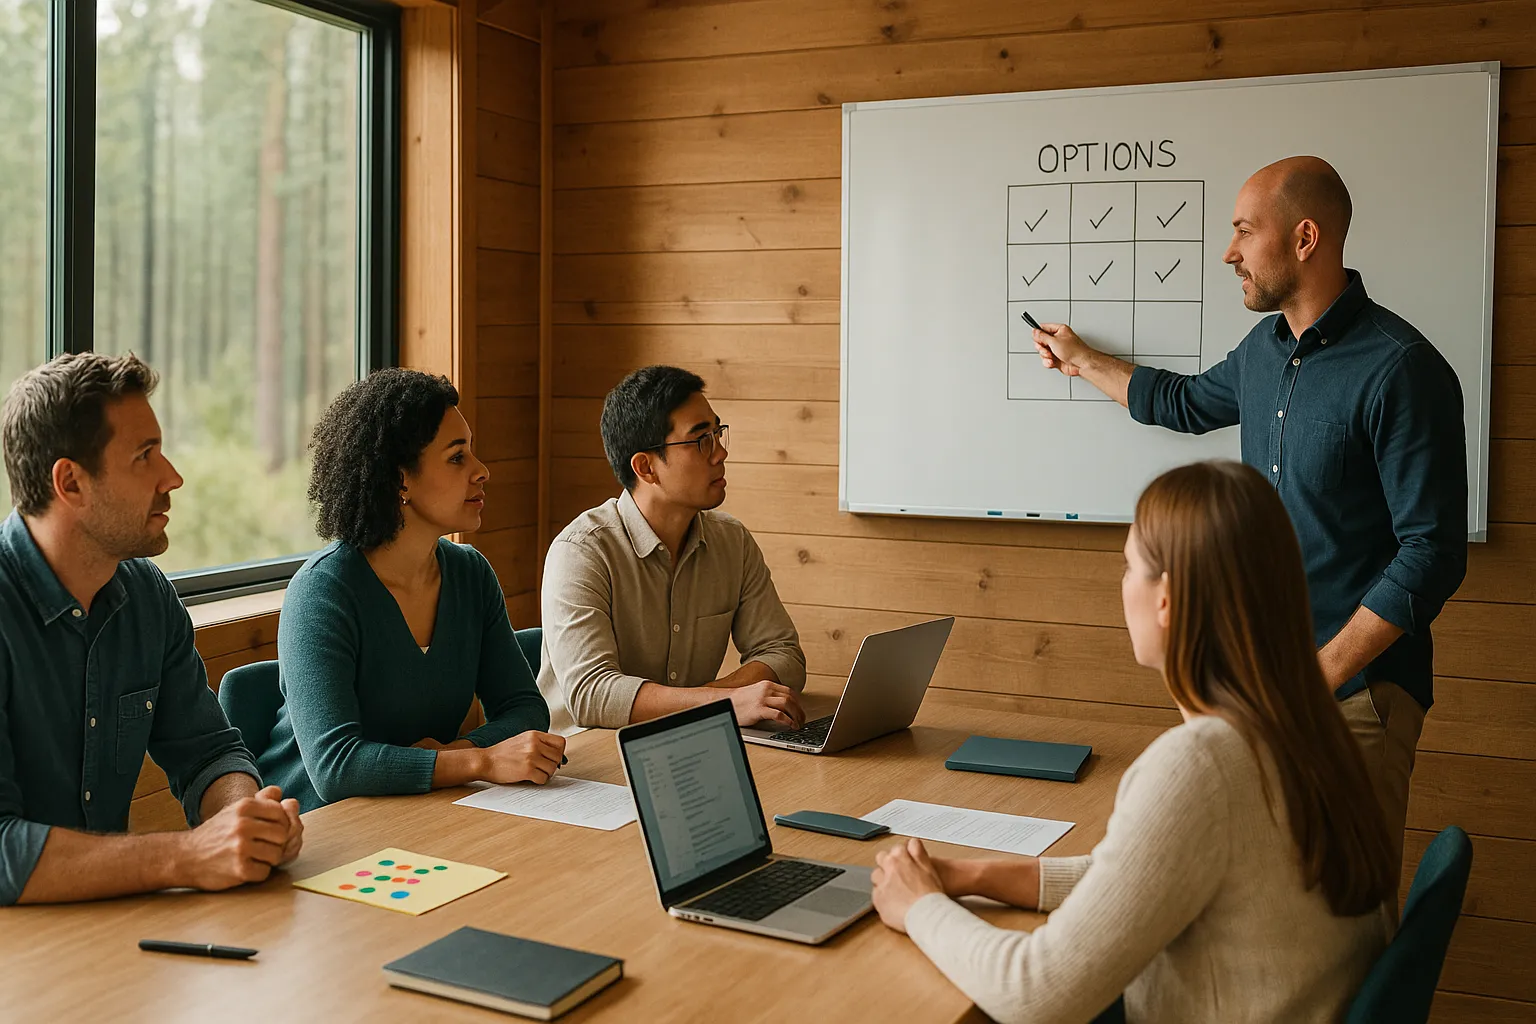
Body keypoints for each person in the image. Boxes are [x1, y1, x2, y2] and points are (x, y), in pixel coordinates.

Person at [1030, 156, 1467, 874]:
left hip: (1355, 695)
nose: (1228, 251)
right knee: (1270, 902)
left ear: (1303, 239)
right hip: (1262, 685)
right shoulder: (1264, 352)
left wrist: (1312, 677)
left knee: (1349, 914)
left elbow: (1432, 554)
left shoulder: (1401, 370)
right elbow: (1183, 402)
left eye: (1242, 231)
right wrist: (1080, 360)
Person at [871, 461, 1395, 1023]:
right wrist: (970, 876)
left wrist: (919, 905)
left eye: (1128, 567)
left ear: (1166, 598)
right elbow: (1141, 877)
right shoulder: (1306, 728)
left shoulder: (1202, 765)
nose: (1121, 585)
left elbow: (1036, 995)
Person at [0, 353, 303, 905]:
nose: (173, 477)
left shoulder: (147, 595)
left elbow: (209, 751)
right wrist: (188, 855)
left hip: (109, 931)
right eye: (145, 456)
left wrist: (245, 821)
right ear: (70, 482)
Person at [258, 369, 560, 812]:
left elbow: (525, 709)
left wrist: (451, 758)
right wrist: (478, 760)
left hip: (422, 810)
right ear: (401, 480)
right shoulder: (322, 592)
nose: (482, 471)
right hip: (318, 830)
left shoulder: (471, 574)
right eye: (457, 458)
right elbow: (336, 768)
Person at [539, 365, 806, 733]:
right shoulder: (581, 551)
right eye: (701, 440)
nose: (720, 453)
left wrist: (707, 702)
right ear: (646, 467)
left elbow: (785, 656)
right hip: (585, 765)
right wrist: (723, 703)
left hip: (686, 744)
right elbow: (593, 695)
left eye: (718, 432)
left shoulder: (732, 540)